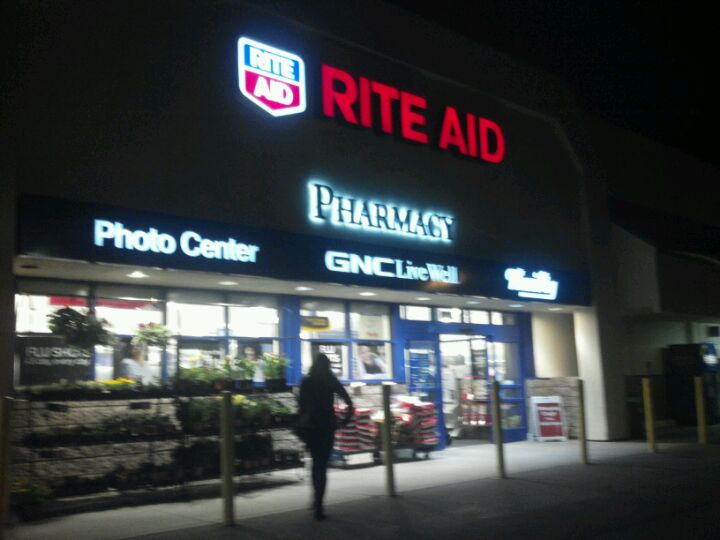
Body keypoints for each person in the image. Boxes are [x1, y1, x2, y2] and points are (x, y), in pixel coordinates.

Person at [298, 353, 354, 520]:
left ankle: (316, 499)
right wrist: (343, 421)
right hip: (327, 426)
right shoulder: (330, 380)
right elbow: (349, 403)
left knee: (315, 464)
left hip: (311, 427)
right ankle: (319, 504)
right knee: (322, 465)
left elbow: (301, 407)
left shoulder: (306, 381)